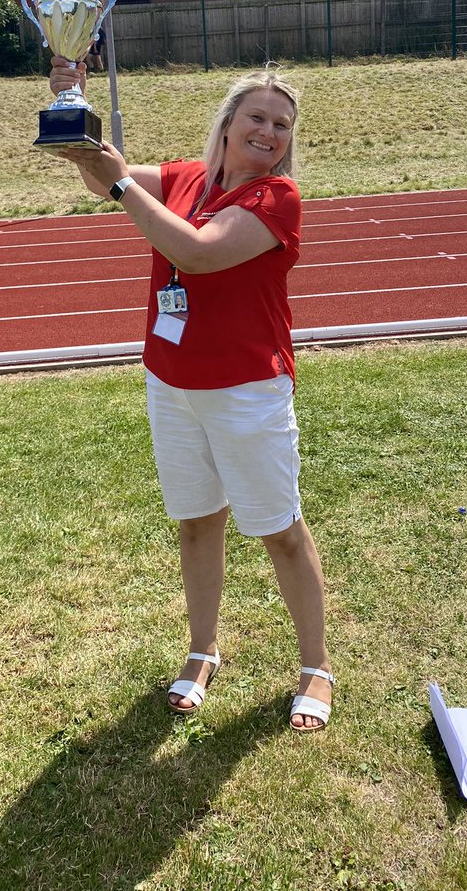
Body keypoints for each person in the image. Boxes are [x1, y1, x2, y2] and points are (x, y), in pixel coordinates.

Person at [52, 57, 334, 732]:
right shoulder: (186, 179)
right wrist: (70, 96)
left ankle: (315, 666)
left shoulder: (276, 199)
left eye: (282, 124)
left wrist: (120, 181)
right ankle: (203, 649)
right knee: (197, 521)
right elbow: (100, 176)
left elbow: (199, 251)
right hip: (170, 384)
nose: (269, 132)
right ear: (230, 122)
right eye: (258, 118)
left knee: (279, 531)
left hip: (245, 391)